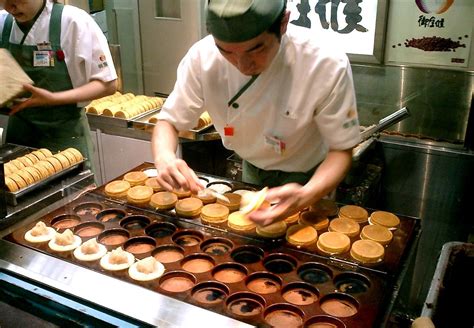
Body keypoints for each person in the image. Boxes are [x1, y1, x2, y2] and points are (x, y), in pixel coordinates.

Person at [151, 0, 360, 225]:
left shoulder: (325, 64)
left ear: (283, 23)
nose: (242, 64)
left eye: (256, 49)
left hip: (312, 177)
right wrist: (164, 157)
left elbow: (341, 150)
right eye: (226, 51)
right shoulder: (202, 59)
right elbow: (168, 122)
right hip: (252, 171)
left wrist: (306, 195)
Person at [0, 0, 117, 171]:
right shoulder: (3, 23)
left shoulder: (73, 22)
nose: (11, 7)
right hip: (18, 138)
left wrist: (54, 98)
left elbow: (107, 84)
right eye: (4, 0)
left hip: (64, 137)